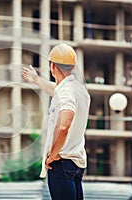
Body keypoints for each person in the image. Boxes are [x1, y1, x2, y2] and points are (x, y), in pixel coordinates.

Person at [22, 43, 90, 200]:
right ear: (72, 67)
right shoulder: (80, 90)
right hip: (76, 163)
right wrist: (36, 80)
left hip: (61, 162)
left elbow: (64, 125)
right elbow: (57, 90)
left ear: (53, 66)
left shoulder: (66, 92)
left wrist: (52, 155)